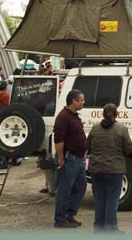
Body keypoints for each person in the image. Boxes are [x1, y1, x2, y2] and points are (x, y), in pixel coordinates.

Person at [85, 103, 132, 232]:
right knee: (112, 199)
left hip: (96, 169)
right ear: (116, 114)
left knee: (99, 198)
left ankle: (99, 227)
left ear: (103, 114)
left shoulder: (95, 129)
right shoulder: (121, 129)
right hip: (114, 170)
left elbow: (87, 146)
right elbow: (129, 149)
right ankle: (111, 228)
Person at [53, 89, 88, 228]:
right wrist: (61, 158)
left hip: (78, 159)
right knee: (64, 190)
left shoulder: (74, 116)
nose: (83, 102)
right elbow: (58, 140)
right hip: (69, 159)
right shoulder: (63, 117)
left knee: (80, 187)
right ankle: (60, 220)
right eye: (81, 100)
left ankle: (69, 214)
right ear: (73, 101)